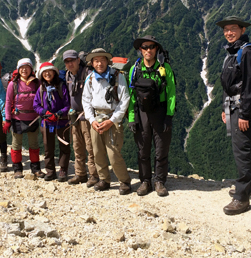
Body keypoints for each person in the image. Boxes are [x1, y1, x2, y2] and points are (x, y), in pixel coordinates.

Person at [217, 16, 251, 215]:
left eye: (233, 28)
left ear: (243, 30)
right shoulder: (234, 51)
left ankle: (242, 198)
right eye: (226, 29)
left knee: (241, 151)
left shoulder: (249, 52)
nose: (229, 32)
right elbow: (229, 84)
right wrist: (224, 108)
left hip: (243, 109)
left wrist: (244, 113)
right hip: (234, 107)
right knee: (246, 147)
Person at [128, 35, 176, 197]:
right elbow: (131, 96)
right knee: (143, 149)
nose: (148, 50)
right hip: (141, 113)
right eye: (145, 47)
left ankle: (159, 181)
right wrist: (131, 117)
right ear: (140, 50)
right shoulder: (134, 70)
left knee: (161, 149)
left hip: (160, 112)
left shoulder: (165, 69)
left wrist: (169, 115)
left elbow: (171, 94)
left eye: (151, 47)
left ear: (157, 49)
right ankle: (145, 181)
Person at [81, 48, 132, 195]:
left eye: (102, 60)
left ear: (107, 61)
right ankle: (104, 179)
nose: (99, 63)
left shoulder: (117, 76)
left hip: (112, 118)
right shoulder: (90, 79)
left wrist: (113, 120)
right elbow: (86, 100)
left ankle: (124, 181)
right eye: (96, 61)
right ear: (92, 63)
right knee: (97, 151)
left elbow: (124, 100)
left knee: (113, 152)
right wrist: (91, 120)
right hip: (96, 118)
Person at [63, 49, 99, 187]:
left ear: (78, 60)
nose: (70, 63)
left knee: (90, 148)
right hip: (74, 116)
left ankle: (94, 175)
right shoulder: (68, 75)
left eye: (72, 60)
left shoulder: (88, 74)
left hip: (87, 115)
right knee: (77, 147)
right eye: (67, 61)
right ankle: (80, 174)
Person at [3, 58, 44, 179]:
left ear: (31, 69)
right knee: (16, 145)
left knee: (34, 144)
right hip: (17, 118)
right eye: (22, 68)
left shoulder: (36, 83)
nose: (24, 70)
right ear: (18, 69)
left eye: (27, 67)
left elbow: (42, 98)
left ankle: (36, 168)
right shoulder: (13, 84)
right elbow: (8, 101)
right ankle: (17, 169)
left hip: (33, 118)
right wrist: (7, 119)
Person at [33, 62, 71, 182]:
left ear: (54, 73)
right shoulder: (41, 89)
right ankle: (50, 171)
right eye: (45, 72)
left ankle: (63, 169)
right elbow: (36, 105)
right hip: (48, 121)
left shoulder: (61, 86)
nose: (47, 74)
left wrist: (59, 113)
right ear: (41, 75)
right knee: (48, 147)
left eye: (49, 71)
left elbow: (67, 104)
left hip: (61, 121)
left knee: (64, 145)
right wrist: (45, 112)